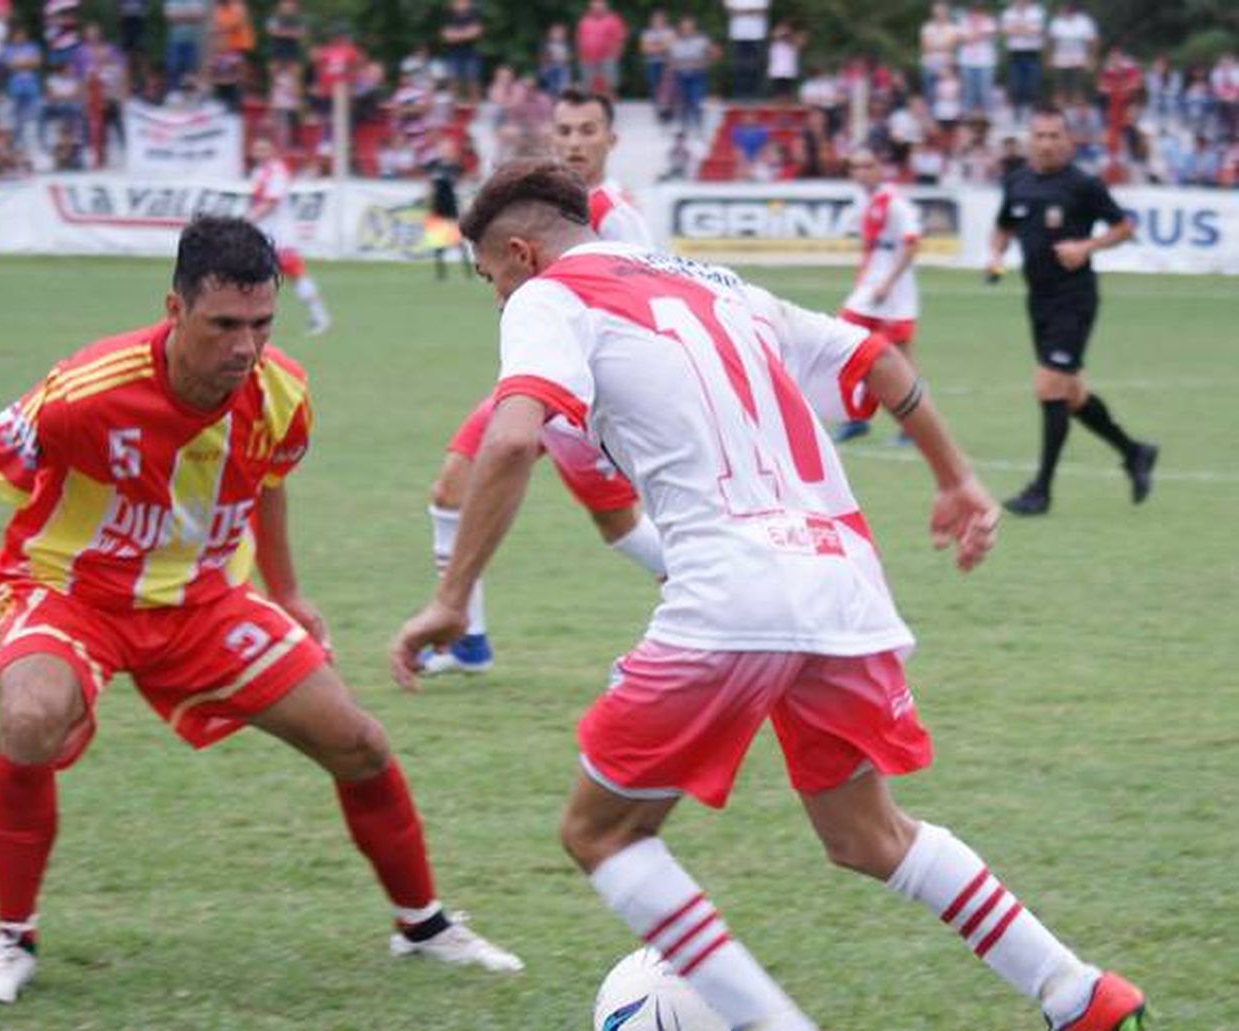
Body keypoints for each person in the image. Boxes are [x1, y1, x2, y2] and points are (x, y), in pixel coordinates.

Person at [390, 158, 1149, 1031]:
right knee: (868, 834)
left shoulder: (546, 297)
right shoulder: (719, 285)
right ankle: (1079, 993)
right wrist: (958, 480)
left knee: (603, 832)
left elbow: (513, 438)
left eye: (489, 279)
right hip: (841, 581)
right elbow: (878, 360)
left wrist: (452, 597)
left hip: (728, 590)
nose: (496, 299)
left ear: (520, 253)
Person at [0, 217, 522, 1005]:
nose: (244, 346)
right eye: (223, 324)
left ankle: (423, 925)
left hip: (201, 601)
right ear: (174, 307)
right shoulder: (85, 390)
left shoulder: (281, 391)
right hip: (71, 591)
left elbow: (267, 481)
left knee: (359, 742)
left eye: (261, 324)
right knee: (29, 719)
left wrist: (288, 590)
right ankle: (11, 938)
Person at [416, 88, 660, 678]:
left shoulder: (614, 212)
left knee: (620, 524)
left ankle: (710, 596)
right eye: (566, 131)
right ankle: (467, 640)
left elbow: (644, 295)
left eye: (587, 131)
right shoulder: (553, 209)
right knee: (450, 490)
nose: (575, 142)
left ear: (611, 139)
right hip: (540, 380)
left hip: (586, 393)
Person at [987, 106, 1157, 516]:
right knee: (1073, 395)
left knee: (1049, 387)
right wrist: (994, 255)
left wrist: (1085, 247)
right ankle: (1135, 452)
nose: (1046, 143)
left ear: (1068, 140)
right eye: (1040, 135)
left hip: (1074, 298)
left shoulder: (1082, 184)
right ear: (1030, 138)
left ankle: (1041, 491)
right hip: (1039, 300)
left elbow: (1123, 227)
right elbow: (1004, 225)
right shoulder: (1018, 181)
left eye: (1054, 136)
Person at [835, 147, 922, 444]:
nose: (861, 172)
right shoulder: (865, 200)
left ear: (879, 168)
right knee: (844, 343)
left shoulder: (895, 202)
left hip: (894, 293)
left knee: (902, 358)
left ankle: (913, 426)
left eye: (867, 165)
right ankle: (855, 417)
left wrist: (888, 281)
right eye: (855, 167)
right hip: (870, 291)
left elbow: (912, 244)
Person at [248, 136, 331, 336]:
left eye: (263, 149)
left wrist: (247, 220)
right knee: (255, 278)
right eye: (256, 149)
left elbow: (270, 203)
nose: (259, 153)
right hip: (263, 235)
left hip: (280, 237)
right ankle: (256, 321)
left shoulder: (276, 171)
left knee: (295, 275)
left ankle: (320, 317)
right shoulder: (258, 172)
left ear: (271, 151)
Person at [424, 136, 472, 281]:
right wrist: (427, 200)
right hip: (437, 208)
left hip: (450, 207)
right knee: (438, 243)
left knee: (458, 242)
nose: (445, 151)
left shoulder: (455, 167)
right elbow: (429, 186)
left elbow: (462, 182)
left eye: (448, 148)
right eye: (442, 148)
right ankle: (441, 273)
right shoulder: (433, 165)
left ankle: (468, 272)